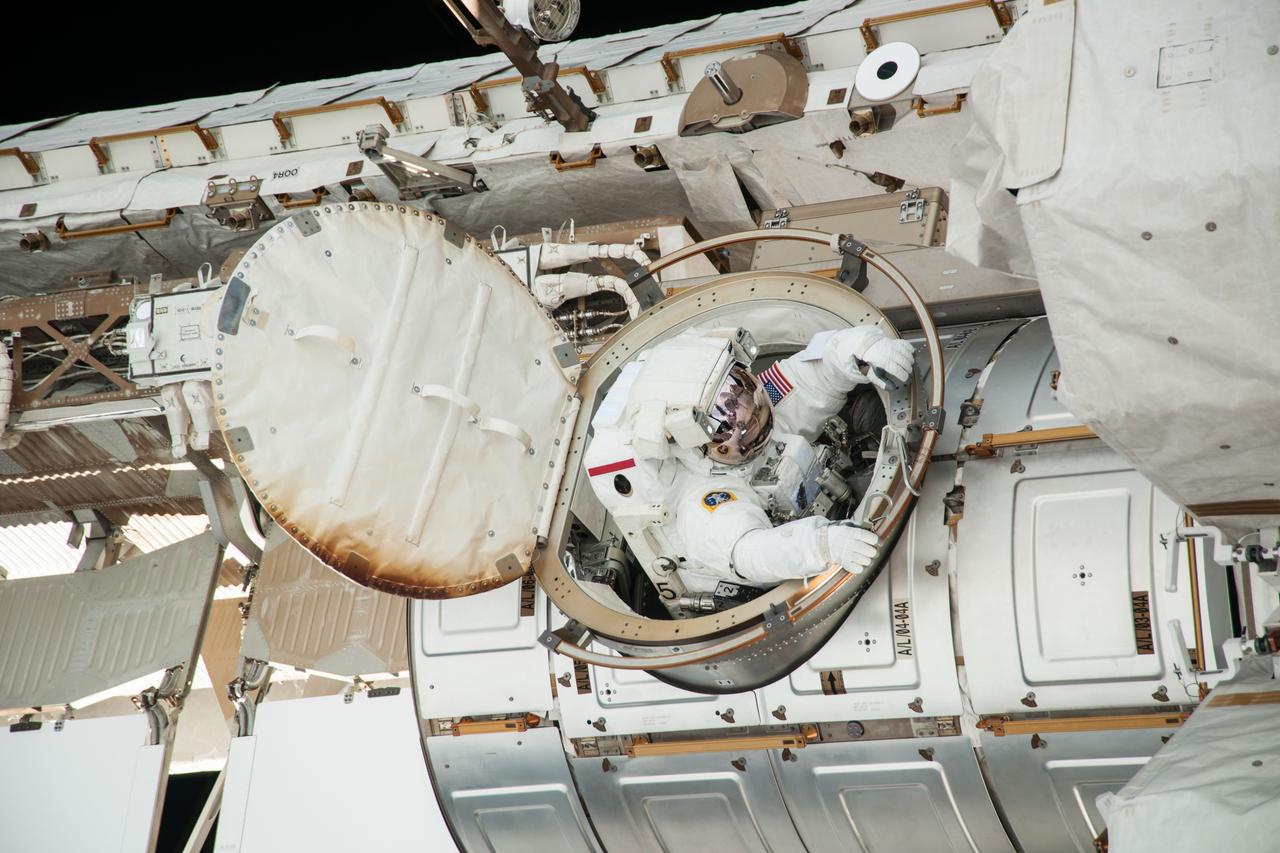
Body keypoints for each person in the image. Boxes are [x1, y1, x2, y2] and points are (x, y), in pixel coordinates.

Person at [583, 324, 916, 600]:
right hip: (784, 575)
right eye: (726, 422)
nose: (747, 418)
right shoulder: (703, 505)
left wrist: (862, 349)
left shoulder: (758, 404)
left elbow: (814, 374)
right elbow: (752, 552)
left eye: (741, 394)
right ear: (693, 442)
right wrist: (822, 544)